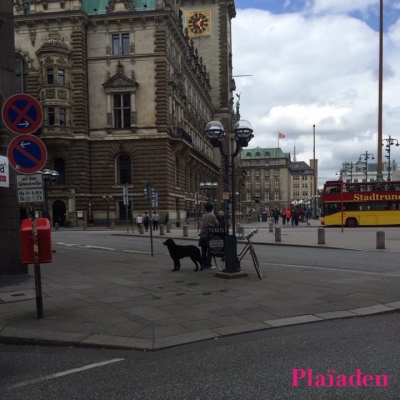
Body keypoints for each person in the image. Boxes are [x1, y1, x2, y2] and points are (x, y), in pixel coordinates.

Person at [198, 203, 219, 269]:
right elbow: (217, 224)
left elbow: (202, 224)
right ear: (211, 209)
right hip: (210, 234)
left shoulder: (203, 215)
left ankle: (203, 263)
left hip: (203, 234)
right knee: (210, 250)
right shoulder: (212, 215)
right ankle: (208, 264)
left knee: (203, 250)